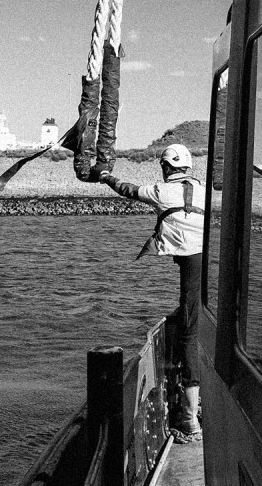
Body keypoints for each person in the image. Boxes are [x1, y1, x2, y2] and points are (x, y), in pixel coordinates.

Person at [100, 143, 205, 442]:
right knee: (192, 316)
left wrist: (105, 176)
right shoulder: (203, 191)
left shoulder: (162, 191)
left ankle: (189, 420)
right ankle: (195, 402)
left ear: (166, 167)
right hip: (204, 257)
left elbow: (127, 189)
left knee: (190, 333)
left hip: (193, 259)